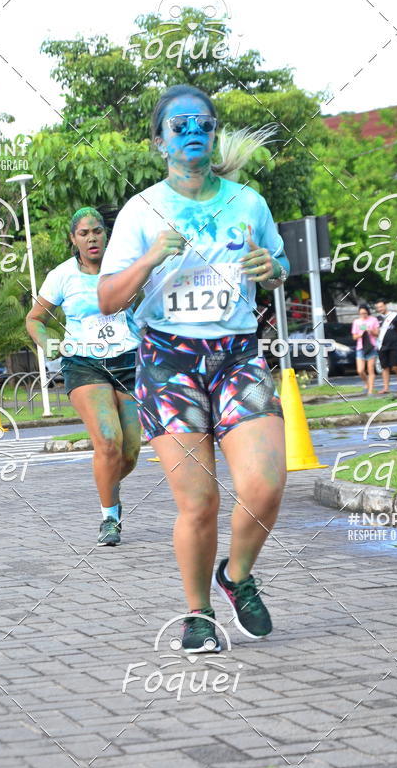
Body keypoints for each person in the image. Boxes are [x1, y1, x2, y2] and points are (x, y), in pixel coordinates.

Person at [97, 84, 290, 652]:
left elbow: (279, 265)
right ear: (159, 142)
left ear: (213, 133)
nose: (192, 132)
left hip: (238, 355)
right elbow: (108, 298)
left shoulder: (248, 202)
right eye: (178, 125)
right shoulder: (141, 210)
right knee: (200, 502)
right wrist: (152, 256)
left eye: (202, 123)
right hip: (168, 362)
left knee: (266, 484)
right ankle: (197, 614)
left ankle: (237, 574)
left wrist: (272, 267)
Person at [26, 207, 141, 547]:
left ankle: (108, 487)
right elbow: (34, 318)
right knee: (108, 439)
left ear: (106, 234)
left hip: (128, 361)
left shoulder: (125, 267)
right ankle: (109, 517)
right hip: (83, 363)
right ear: (73, 239)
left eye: (97, 231)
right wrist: (46, 342)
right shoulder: (62, 275)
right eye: (84, 233)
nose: (92, 238)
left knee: (129, 452)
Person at [375, 299, 397, 394]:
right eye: (378, 308)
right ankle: (386, 388)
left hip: (394, 344)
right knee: (384, 367)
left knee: (395, 366)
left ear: (385, 305)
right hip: (381, 345)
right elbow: (374, 331)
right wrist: (363, 327)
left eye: (381, 306)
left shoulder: (395, 316)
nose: (380, 309)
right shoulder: (377, 319)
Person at [351, 303, 379, 395]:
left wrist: (370, 331)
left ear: (368, 312)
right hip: (360, 347)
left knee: (370, 369)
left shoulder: (373, 320)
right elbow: (354, 337)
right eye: (361, 313)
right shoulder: (356, 322)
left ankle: (370, 390)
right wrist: (360, 334)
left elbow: (377, 334)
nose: (363, 315)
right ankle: (367, 383)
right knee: (360, 370)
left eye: (365, 313)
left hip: (371, 347)